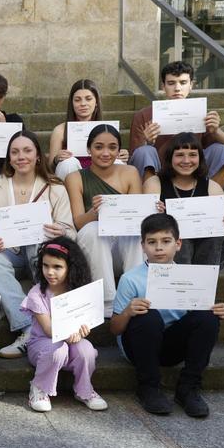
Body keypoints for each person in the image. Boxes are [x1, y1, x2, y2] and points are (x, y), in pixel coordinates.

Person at [111, 213, 224, 417]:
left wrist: (215, 310)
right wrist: (129, 311)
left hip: (171, 346)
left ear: (178, 244)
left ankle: (188, 389)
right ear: (143, 246)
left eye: (166, 241)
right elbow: (114, 328)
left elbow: (196, 321)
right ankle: (148, 387)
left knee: (208, 317)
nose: (158, 248)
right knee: (148, 316)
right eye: (152, 242)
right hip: (139, 347)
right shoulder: (130, 279)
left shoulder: (190, 277)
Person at [0, 130, 76, 359]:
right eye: (15, 152)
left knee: (39, 240)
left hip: (42, 258)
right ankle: (27, 326)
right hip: (9, 253)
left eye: (27, 150)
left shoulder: (55, 188)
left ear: (38, 156)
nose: (21, 156)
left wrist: (60, 231)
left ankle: (47, 307)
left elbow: (71, 231)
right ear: (9, 158)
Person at [65, 124, 145, 316]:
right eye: (99, 147)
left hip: (123, 248)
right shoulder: (75, 177)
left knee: (134, 232)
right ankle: (107, 300)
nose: (106, 153)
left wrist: (151, 210)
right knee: (93, 228)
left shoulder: (130, 172)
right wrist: (94, 212)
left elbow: (136, 216)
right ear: (88, 149)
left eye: (112, 147)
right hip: (93, 246)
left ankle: (136, 293)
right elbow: (77, 222)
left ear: (119, 150)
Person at [21, 237, 108, 412]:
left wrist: (83, 330)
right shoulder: (37, 294)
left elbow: (85, 319)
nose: (50, 272)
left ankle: (84, 389)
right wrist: (68, 335)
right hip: (43, 345)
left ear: (71, 268)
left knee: (86, 349)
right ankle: (39, 388)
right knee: (58, 348)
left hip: (72, 342)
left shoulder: (78, 291)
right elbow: (47, 329)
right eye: (45, 266)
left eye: (57, 267)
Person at [129, 61, 224, 188]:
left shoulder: (201, 114)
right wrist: (146, 141)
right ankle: (151, 199)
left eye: (183, 83)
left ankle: (211, 197)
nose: (177, 88)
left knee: (223, 150)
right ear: (163, 86)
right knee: (144, 151)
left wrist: (216, 131)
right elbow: (134, 156)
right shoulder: (143, 115)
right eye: (171, 83)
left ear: (191, 85)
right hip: (159, 170)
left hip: (191, 167)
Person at [143, 132, 224, 266]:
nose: (186, 161)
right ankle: (181, 281)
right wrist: (155, 215)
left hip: (207, 248)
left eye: (193, 155)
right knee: (179, 237)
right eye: (180, 155)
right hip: (168, 247)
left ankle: (204, 283)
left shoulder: (213, 187)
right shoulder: (155, 183)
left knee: (215, 237)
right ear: (170, 158)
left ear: (200, 158)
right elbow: (147, 227)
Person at [48, 79, 129, 180]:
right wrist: (57, 159)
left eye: (88, 99)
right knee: (68, 163)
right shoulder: (60, 130)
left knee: (118, 163)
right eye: (77, 100)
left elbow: (115, 154)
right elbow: (50, 168)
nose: (83, 103)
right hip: (73, 175)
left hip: (99, 172)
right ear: (71, 103)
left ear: (96, 102)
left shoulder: (108, 129)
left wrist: (121, 154)